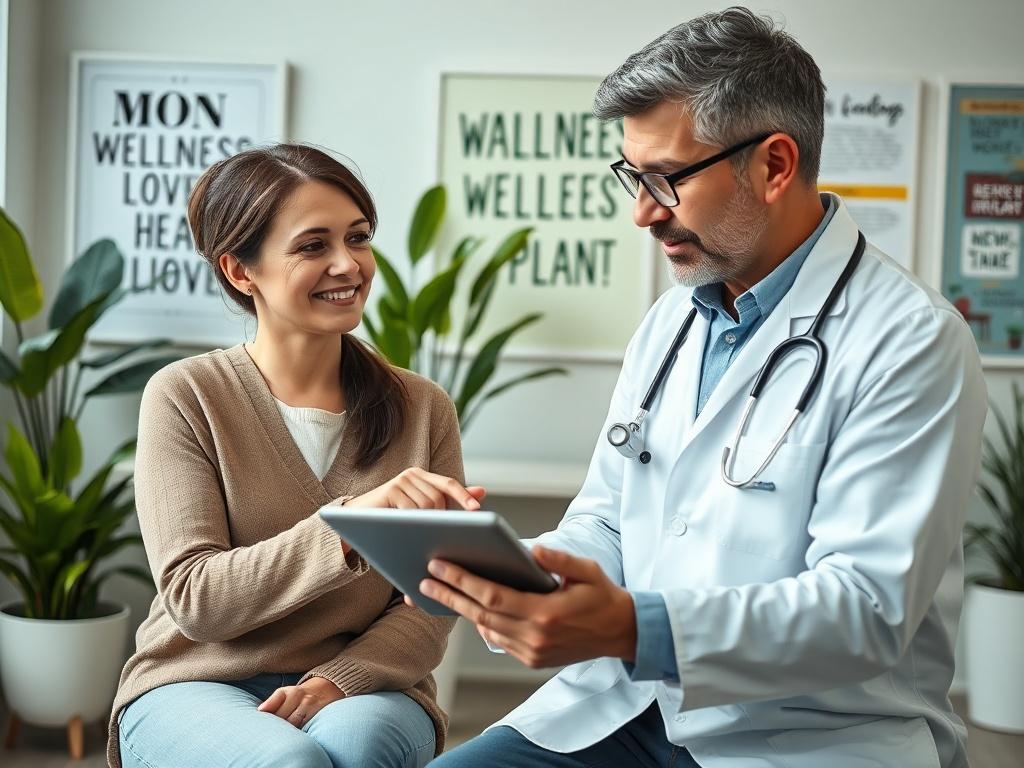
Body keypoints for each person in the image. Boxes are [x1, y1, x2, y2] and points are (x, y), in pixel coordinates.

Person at [425, 7, 986, 768]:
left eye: (666, 179)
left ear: (774, 165)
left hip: (807, 736)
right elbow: (607, 522)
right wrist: (521, 575)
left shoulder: (910, 340)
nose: (642, 212)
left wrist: (633, 629)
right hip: (624, 706)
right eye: (633, 175)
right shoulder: (670, 323)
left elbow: (865, 610)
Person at [108, 143, 485, 768]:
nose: (349, 265)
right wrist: (351, 526)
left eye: (358, 238)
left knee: (355, 749)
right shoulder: (185, 395)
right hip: (197, 679)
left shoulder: (424, 407)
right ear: (240, 270)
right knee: (289, 762)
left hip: (363, 682)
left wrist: (341, 678)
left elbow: (433, 598)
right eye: (313, 245)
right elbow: (196, 600)